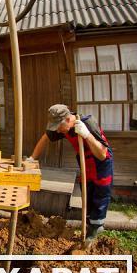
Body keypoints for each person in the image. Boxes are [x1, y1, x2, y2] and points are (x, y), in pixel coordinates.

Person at [28, 104, 113, 242]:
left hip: (101, 163)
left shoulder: (88, 124)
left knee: (100, 195)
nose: (58, 131)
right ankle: (89, 227)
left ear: (68, 120)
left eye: (58, 127)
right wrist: (32, 158)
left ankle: (96, 228)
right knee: (87, 194)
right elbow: (45, 137)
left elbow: (102, 154)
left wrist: (87, 135)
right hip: (85, 162)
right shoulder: (64, 127)